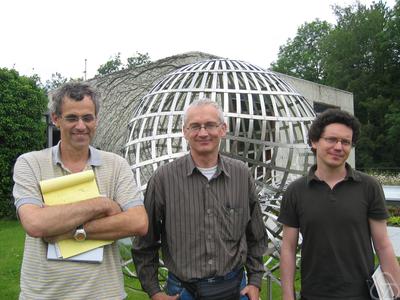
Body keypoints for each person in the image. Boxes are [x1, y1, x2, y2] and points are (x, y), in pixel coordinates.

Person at [13, 82, 148, 299]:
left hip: (105, 294)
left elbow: (138, 222)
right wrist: (102, 204)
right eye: (71, 118)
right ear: (56, 119)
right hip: (43, 294)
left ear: (96, 119)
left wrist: (68, 230)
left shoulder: (116, 165)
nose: (81, 126)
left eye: (88, 118)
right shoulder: (30, 163)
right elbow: (36, 223)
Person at [132, 99, 268, 300]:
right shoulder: (164, 179)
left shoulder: (241, 175)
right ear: (185, 131)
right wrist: (154, 291)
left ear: (223, 129)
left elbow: (255, 235)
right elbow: (145, 241)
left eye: (210, 125)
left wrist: (255, 281)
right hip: (183, 292)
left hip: (235, 289)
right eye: (195, 126)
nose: (203, 133)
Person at [278, 108, 400, 300]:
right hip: (313, 295)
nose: (338, 147)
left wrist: (397, 294)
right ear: (314, 142)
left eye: (345, 142)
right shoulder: (296, 191)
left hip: (362, 295)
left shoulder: (369, 187)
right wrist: (287, 295)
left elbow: (383, 245)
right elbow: (288, 248)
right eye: (331, 139)